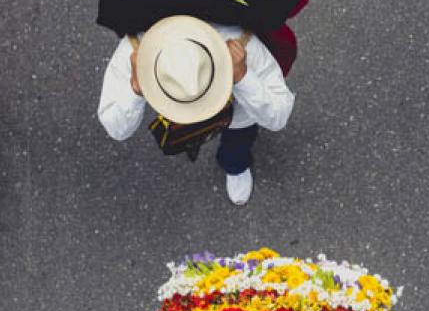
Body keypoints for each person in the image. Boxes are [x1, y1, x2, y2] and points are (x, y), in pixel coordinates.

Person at [97, 15, 295, 206]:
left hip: (238, 116)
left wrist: (243, 77)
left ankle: (235, 166)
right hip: (182, 122)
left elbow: (278, 115)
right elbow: (115, 128)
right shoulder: (134, 51)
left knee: (238, 142)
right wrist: (135, 88)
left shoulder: (241, 44)